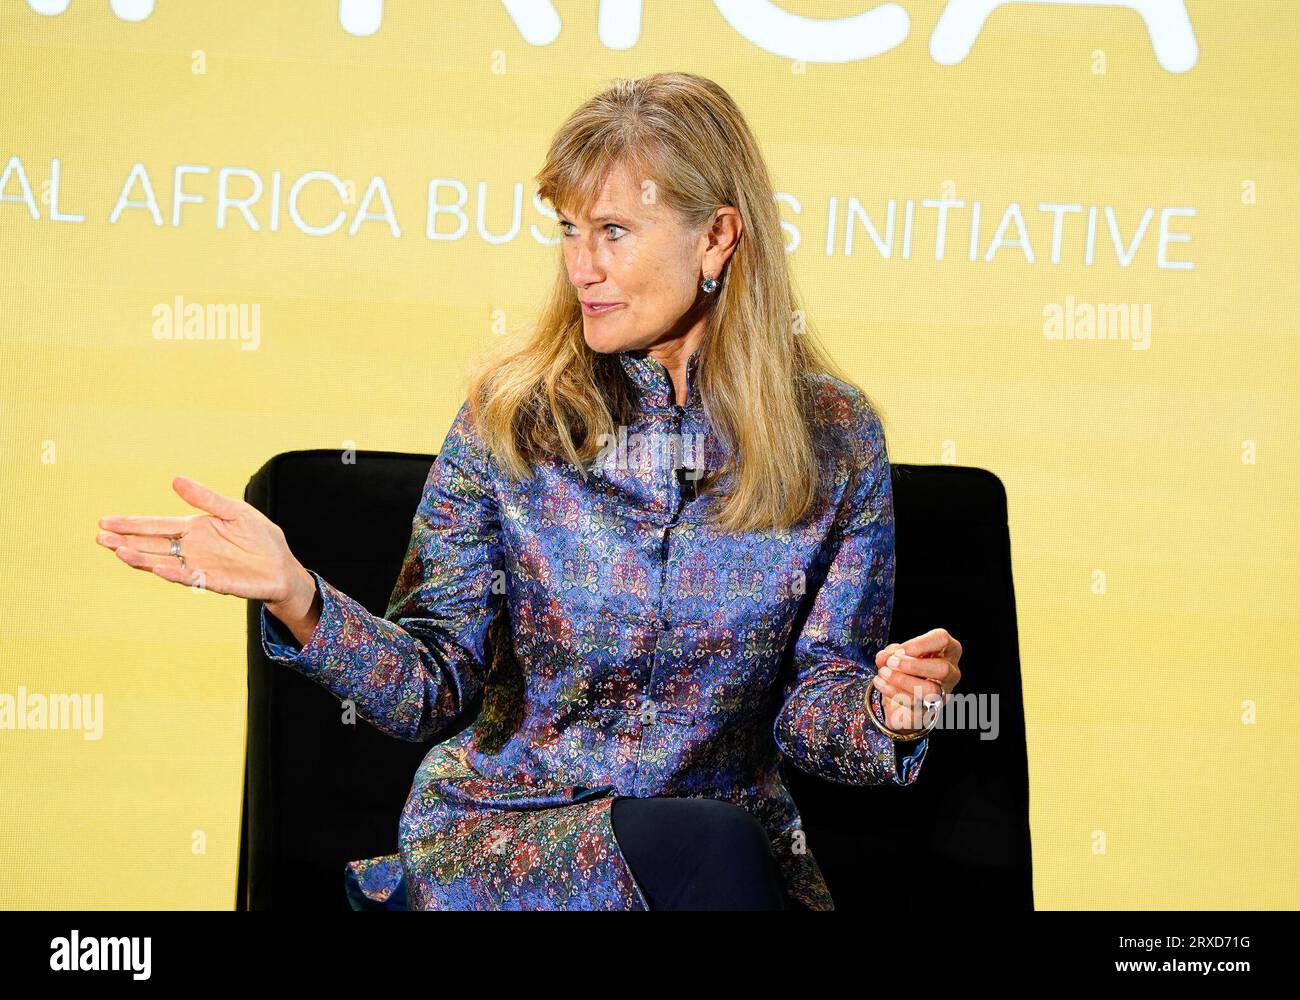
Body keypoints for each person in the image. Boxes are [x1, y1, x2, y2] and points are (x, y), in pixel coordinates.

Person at [94, 71, 963, 911]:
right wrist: (299, 598)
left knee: (711, 845)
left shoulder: (833, 434)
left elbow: (816, 705)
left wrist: (890, 712)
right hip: (508, 840)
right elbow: (429, 683)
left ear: (717, 238)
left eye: (614, 231)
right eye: (568, 228)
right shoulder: (513, 417)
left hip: (714, 854)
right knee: (709, 850)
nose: (581, 264)